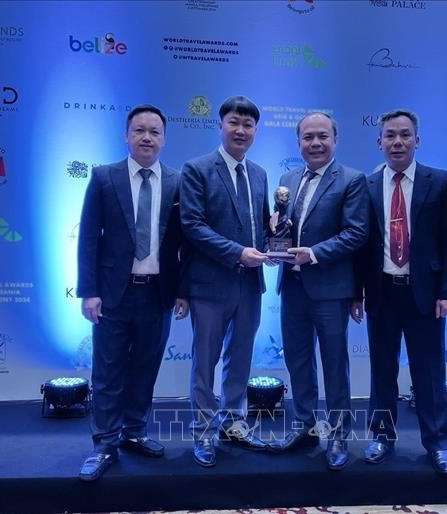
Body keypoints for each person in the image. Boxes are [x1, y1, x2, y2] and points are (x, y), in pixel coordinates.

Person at [76, 104, 189, 481]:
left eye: (154, 132)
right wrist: (88, 291)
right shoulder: (104, 177)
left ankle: (134, 431)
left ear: (164, 139)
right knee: (108, 371)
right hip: (113, 294)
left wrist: (183, 290)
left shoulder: (176, 181)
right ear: (126, 135)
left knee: (145, 368)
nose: (146, 137)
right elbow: (88, 237)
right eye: (139, 130)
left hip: (157, 293)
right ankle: (104, 443)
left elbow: (184, 243)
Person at [352, 109, 447, 475]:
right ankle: (382, 437)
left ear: (417, 140)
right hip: (381, 291)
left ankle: (437, 443)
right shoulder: (367, 185)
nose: (397, 142)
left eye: (404, 135)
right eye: (390, 135)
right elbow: (360, 245)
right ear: (379, 142)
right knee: (382, 370)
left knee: (429, 372)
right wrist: (356, 293)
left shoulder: (438, 181)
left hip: (425, 295)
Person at [269, 112, 369, 470]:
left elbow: (356, 233)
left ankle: (339, 434)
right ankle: (304, 425)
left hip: (330, 289)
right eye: (308, 137)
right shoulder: (287, 179)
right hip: (292, 286)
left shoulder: (352, 180)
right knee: (297, 360)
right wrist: (273, 241)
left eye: (322, 136)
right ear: (298, 142)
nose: (315, 143)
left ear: (335, 139)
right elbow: (283, 226)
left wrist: (313, 254)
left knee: (334, 365)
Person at [179, 95, 271, 468]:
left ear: (255, 131)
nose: (241, 130)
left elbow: (262, 227)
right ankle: (203, 433)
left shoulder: (260, 174)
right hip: (209, 284)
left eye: (248, 125)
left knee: (241, 359)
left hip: (250, 284)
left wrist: (277, 238)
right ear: (220, 126)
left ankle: (233, 424)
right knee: (205, 364)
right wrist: (237, 252)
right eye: (234, 122)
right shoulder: (197, 169)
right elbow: (192, 225)